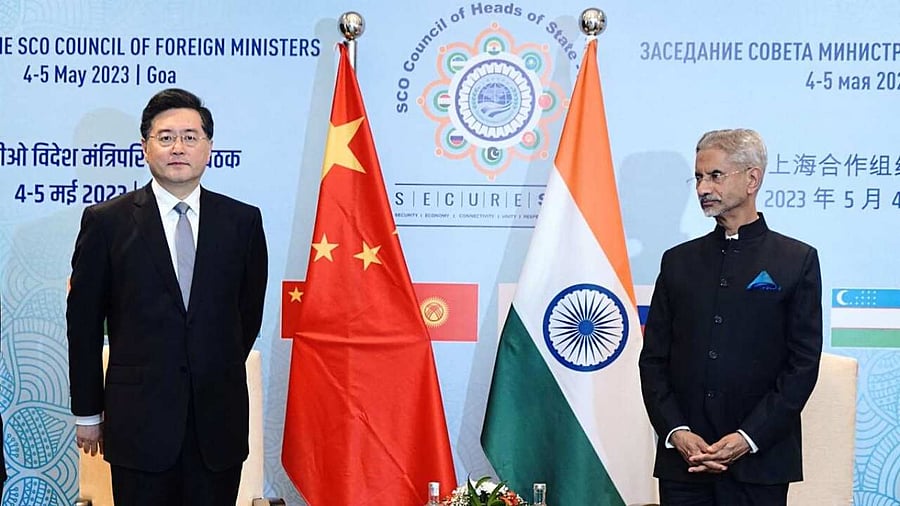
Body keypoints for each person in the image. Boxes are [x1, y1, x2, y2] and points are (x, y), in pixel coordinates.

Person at [66, 88, 268, 504]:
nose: (179, 147)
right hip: (138, 423)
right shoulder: (106, 223)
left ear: (209, 147)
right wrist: (87, 412)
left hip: (218, 423)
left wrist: (208, 362)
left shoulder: (242, 221)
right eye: (166, 136)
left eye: (190, 136)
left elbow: (246, 317)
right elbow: (83, 325)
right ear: (145, 147)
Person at [638, 128, 822, 505]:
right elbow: (653, 360)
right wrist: (677, 432)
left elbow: (802, 366)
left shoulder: (795, 261)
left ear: (752, 179)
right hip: (685, 464)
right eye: (698, 177)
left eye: (715, 176)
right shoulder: (678, 262)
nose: (703, 188)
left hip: (760, 464)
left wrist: (747, 438)